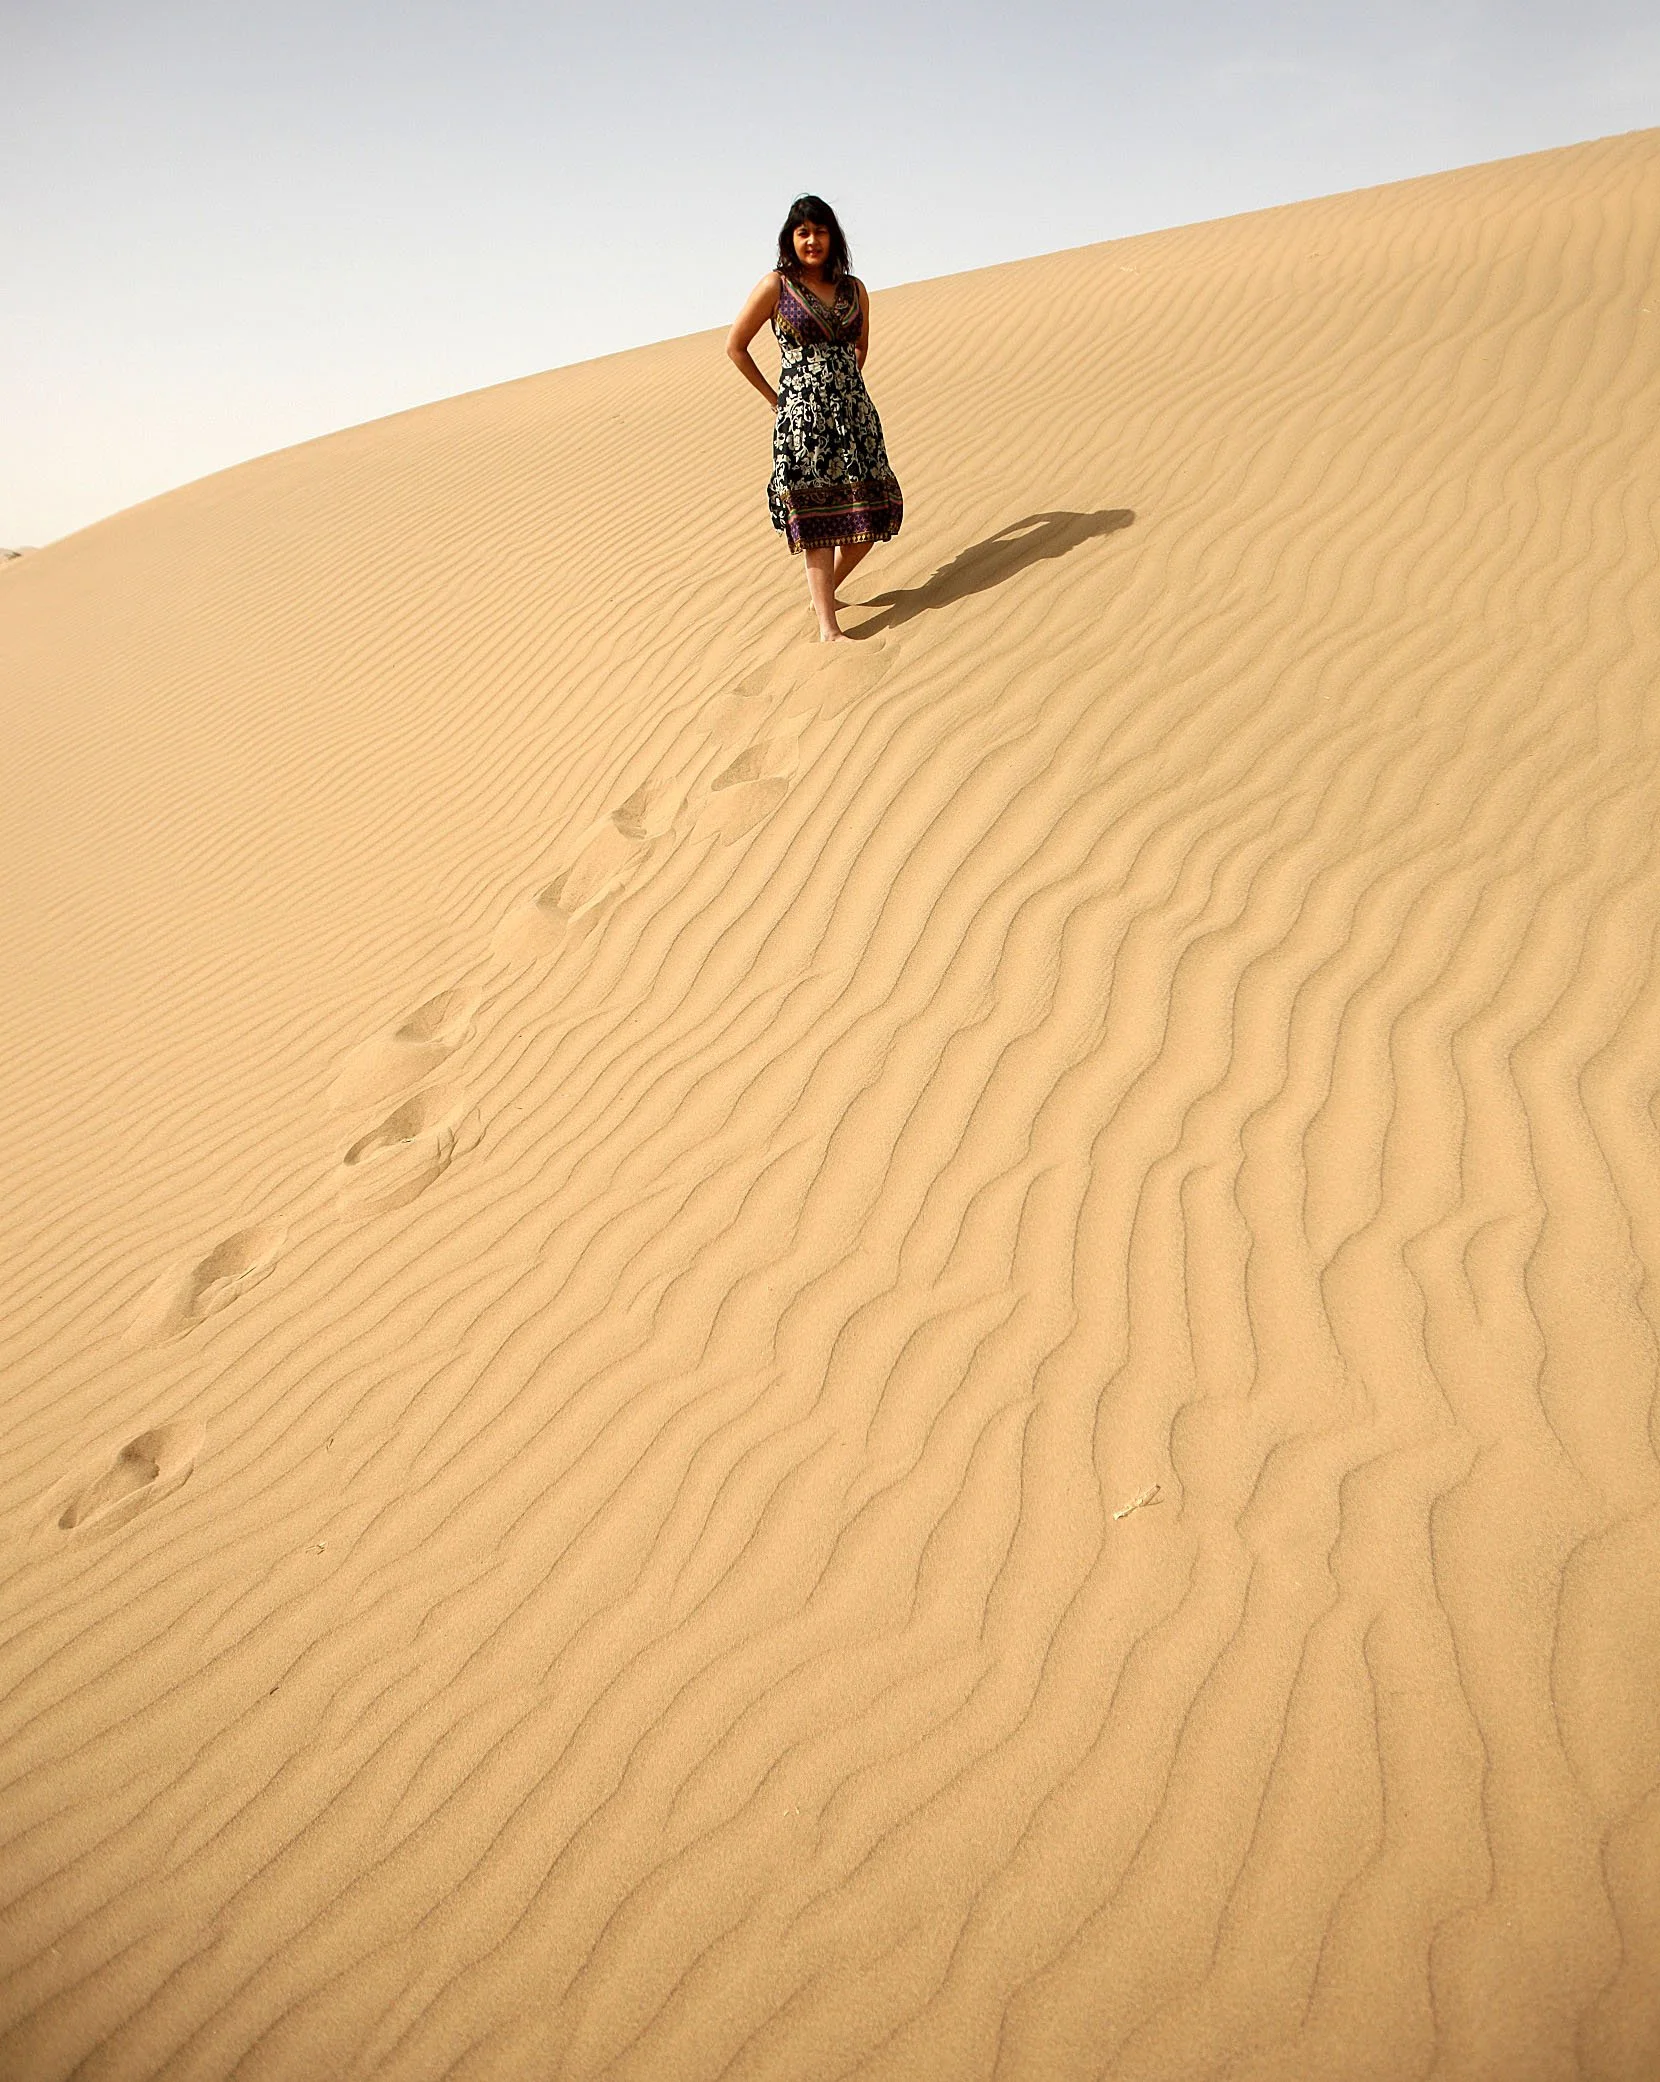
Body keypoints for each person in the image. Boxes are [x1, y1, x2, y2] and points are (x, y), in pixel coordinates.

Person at [726, 194, 903, 642]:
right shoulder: (776, 287)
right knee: (818, 523)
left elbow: (861, 346)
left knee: (869, 518)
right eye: (803, 232)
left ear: (833, 237)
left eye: (820, 231)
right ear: (790, 238)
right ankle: (829, 628)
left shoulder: (854, 289)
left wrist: (845, 387)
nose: (812, 240)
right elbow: (736, 346)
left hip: (856, 418)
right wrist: (777, 399)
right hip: (802, 423)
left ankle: (822, 593)